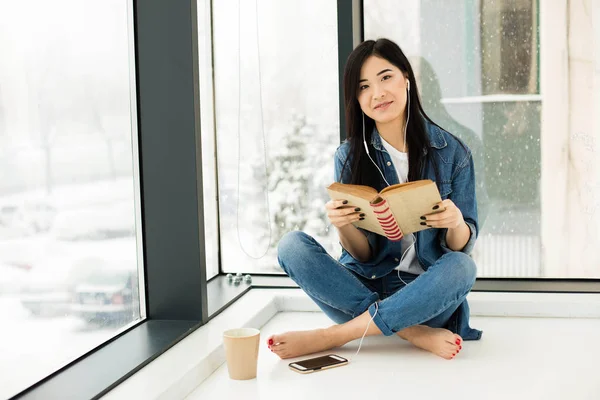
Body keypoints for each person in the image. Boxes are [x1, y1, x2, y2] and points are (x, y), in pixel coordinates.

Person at [266, 38, 482, 361]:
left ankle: (335, 335)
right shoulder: (349, 157)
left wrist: (454, 223)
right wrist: (343, 227)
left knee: (462, 267)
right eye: (364, 86)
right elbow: (363, 255)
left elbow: (462, 246)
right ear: (357, 98)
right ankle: (414, 333)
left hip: (423, 297)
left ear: (406, 78)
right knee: (291, 246)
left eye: (386, 77)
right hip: (363, 286)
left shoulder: (453, 153)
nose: (378, 93)